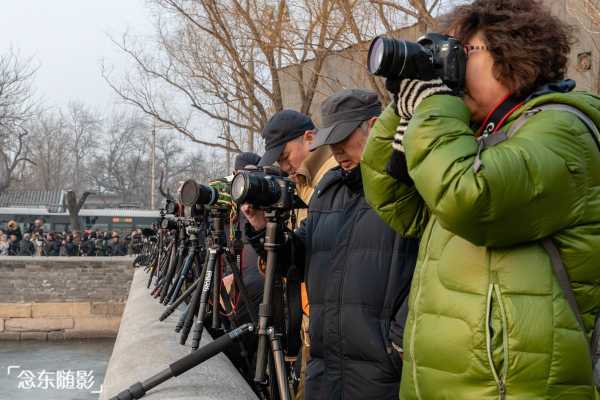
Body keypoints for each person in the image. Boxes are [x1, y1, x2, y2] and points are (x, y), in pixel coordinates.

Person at [361, 1, 600, 398]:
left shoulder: (564, 130)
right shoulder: (472, 137)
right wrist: (404, 108)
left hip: (513, 389)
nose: (450, 68)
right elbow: (394, 200)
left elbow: (471, 199)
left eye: (462, 53)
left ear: (513, 53)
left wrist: (433, 106)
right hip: (443, 384)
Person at [244, 89, 418, 400]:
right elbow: (296, 264)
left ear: (375, 126)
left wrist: (398, 342)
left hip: (382, 372)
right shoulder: (328, 190)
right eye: (331, 140)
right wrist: (262, 227)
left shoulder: (407, 185)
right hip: (326, 368)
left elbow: (430, 266)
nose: (336, 150)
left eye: (344, 138)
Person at [255, 109, 338, 398]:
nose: (283, 165)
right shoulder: (305, 180)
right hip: (310, 315)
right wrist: (260, 228)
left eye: (285, 155)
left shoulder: (332, 177)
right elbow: (298, 255)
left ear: (309, 137)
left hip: (327, 317)